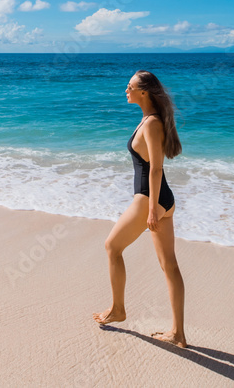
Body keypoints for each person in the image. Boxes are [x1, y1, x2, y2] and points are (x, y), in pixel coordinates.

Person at [92, 69, 186, 348]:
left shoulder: (151, 123)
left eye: (130, 86)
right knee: (169, 265)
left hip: (150, 199)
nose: (126, 90)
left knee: (112, 247)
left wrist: (151, 211)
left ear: (143, 92)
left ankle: (118, 310)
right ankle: (178, 334)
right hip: (161, 200)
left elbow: (156, 168)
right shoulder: (149, 120)